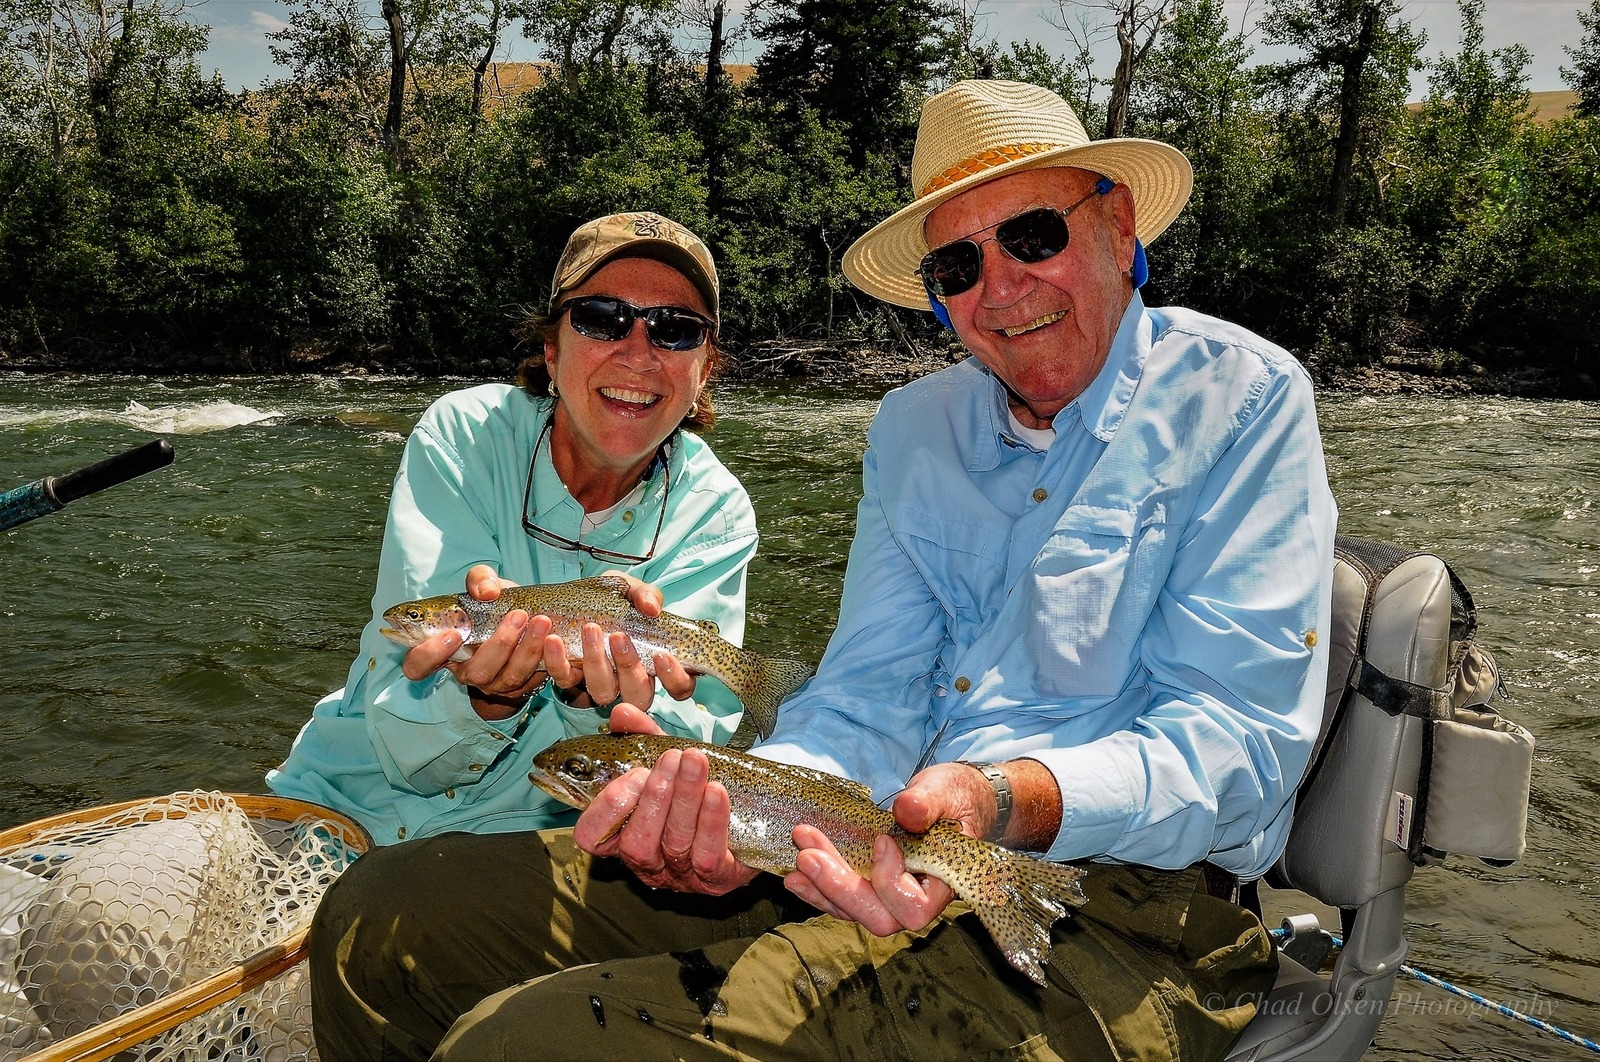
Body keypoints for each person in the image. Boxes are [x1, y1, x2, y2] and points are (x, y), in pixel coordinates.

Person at [308, 81, 1338, 1061]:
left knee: (526, 1044)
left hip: (1116, 911)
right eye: (958, 266)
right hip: (864, 841)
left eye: (1032, 235)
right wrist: (749, 817)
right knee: (378, 923)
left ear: (1117, 228)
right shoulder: (911, 430)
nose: (1001, 287)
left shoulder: (1244, 401)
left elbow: (1239, 746)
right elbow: (864, 694)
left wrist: (1001, 798)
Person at [268, 211, 758, 845]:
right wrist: (483, 700)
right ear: (551, 351)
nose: (638, 353)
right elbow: (400, 735)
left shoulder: (716, 514)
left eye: (676, 330)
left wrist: (602, 711)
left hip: (542, 849)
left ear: (703, 370)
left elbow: (673, 770)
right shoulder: (464, 437)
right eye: (601, 319)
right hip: (342, 808)